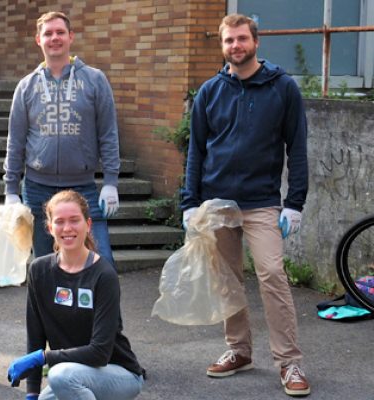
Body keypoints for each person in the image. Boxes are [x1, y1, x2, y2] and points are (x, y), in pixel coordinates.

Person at [181, 13, 310, 397]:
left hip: (261, 203)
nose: (235, 46)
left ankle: (289, 362)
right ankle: (238, 350)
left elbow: (297, 148)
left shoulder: (282, 87)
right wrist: (190, 203)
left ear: (255, 42)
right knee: (227, 279)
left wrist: (295, 204)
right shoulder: (210, 91)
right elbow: (196, 151)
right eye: (228, 41)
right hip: (217, 202)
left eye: (241, 39)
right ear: (222, 47)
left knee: (271, 273)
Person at [3, 11, 120, 268]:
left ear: (71, 37)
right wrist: (11, 190)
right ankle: (48, 311)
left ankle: (98, 310)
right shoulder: (26, 86)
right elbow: (16, 141)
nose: (54, 38)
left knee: (102, 265)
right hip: (37, 190)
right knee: (45, 267)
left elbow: (108, 134)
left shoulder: (95, 80)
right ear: (38, 40)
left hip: (83, 188)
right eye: (48, 33)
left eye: (60, 32)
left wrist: (111, 182)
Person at [7, 190, 144, 400]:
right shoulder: (39, 271)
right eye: (59, 222)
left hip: (118, 374)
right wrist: (32, 393)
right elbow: (35, 338)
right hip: (73, 374)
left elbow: (100, 353)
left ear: (88, 225)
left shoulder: (104, 275)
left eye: (74, 220)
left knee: (60, 375)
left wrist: (43, 357)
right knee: (58, 380)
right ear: (50, 227)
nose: (67, 228)